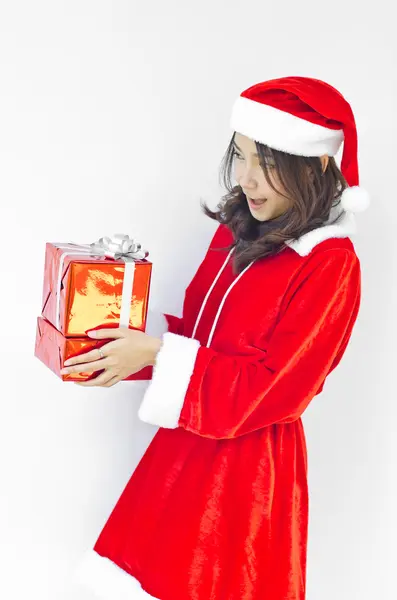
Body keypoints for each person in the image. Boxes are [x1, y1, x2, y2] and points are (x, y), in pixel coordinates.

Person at [70, 76, 369, 600]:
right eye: (243, 157)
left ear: (317, 164)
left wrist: (160, 354)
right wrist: (119, 357)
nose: (249, 181)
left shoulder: (329, 263)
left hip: (249, 473)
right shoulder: (236, 232)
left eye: (269, 164)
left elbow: (276, 390)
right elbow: (197, 337)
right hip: (185, 450)